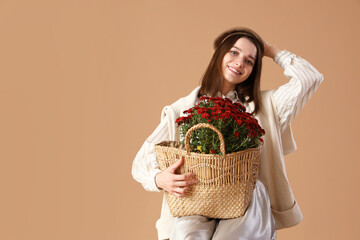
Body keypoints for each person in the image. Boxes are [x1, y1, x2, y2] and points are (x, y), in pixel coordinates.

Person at [132, 27, 324, 240]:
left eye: (249, 61)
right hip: (197, 195)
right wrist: (159, 179)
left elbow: (310, 78)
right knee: (187, 234)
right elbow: (141, 161)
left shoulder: (267, 107)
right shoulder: (183, 109)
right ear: (219, 54)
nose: (240, 62)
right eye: (234, 52)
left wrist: (270, 51)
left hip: (246, 200)